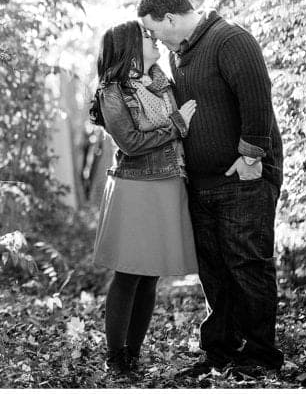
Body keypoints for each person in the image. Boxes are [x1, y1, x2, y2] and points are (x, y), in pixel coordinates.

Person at [137, 0, 285, 376]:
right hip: (202, 183)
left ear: (170, 18)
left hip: (243, 178)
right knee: (214, 271)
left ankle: (260, 355)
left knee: (247, 265)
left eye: (153, 30)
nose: (153, 39)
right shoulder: (179, 56)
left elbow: (256, 98)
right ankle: (220, 352)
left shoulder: (229, 39)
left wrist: (251, 154)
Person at [89, 20, 198, 376]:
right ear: (128, 48)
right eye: (146, 37)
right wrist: (177, 125)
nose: (153, 39)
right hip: (135, 185)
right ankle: (115, 355)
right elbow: (131, 144)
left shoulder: (161, 81)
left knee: (150, 275)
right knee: (129, 274)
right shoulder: (112, 92)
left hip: (168, 180)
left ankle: (133, 353)